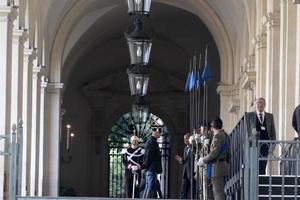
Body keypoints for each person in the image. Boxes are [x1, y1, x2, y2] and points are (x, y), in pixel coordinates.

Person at [197, 117, 230, 200]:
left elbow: (214, 153)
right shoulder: (223, 134)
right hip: (219, 167)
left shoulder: (218, 136)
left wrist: (203, 160)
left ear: (213, 126)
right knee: (217, 192)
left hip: (217, 168)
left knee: (218, 193)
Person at [249, 97, 276, 174]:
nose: (259, 104)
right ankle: (254, 184)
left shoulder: (270, 116)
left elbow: (273, 132)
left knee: (263, 166)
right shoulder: (250, 116)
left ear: (265, 105)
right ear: (255, 104)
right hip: (254, 145)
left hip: (265, 145)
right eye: (258, 103)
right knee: (254, 166)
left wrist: (273, 145)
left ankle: (261, 184)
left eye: (261, 103)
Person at [142, 128, 162, 198]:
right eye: (159, 133)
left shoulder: (152, 141)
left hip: (151, 167)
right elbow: (148, 156)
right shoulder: (152, 142)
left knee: (148, 185)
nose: (160, 134)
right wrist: (145, 166)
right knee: (149, 185)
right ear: (155, 133)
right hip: (151, 167)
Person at [175, 133, 196, 199]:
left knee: (193, 191)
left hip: (192, 172)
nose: (184, 140)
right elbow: (184, 161)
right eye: (184, 138)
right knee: (183, 191)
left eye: (186, 138)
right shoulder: (185, 148)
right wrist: (181, 160)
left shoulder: (194, 147)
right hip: (186, 173)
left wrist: (189, 145)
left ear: (190, 139)